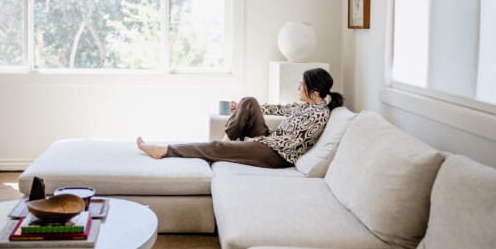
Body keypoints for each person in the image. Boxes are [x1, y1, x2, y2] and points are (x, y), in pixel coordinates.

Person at [137, 68, 344, 169]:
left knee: (216, 148)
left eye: (302, 84)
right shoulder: (306, 105)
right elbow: (280, 109)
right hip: (269, 142)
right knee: (249, 100)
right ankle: (227, 143)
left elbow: (291, 143)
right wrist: (243, 109)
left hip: (276, 155)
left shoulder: (319, 115)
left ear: (314, 91)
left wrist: (255, 141)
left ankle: (164, 151)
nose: (298, 87)